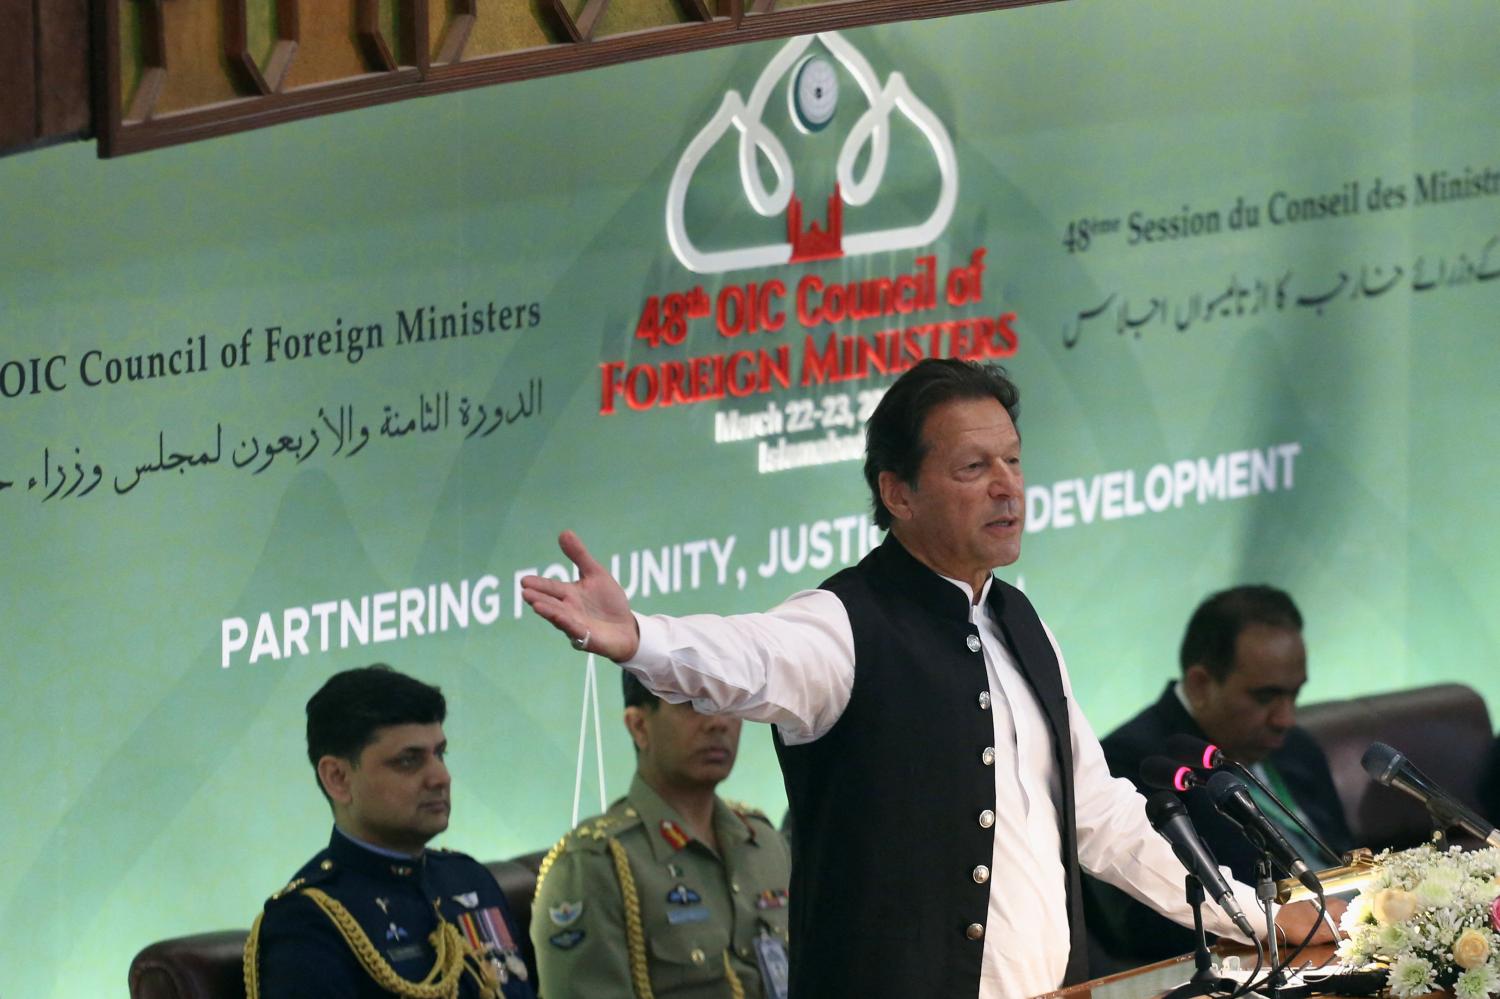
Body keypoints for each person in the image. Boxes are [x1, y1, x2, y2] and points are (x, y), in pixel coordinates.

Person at [520, 358, 1332, 998]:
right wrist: (637, 639)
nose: (1007, 485)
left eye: (1013, 460)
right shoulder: (844, 623)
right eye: (974, 466)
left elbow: (1103, 817)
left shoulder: (1022, 622)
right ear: (897, 492)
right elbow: (748, 659)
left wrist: (1250, 916)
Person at [1085, 586, 1355, 967]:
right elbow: (1143, 928)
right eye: (1265, 697)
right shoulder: (1132, 763)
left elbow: (1343, 856)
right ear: (1200, 685)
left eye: (1294, 695)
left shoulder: (1296, 746)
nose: (1285, 719)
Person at [244, 665, 536, 999]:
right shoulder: (308, 922)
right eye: (409, 761)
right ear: (338, 778)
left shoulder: (468, 879)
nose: (440, 777)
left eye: (440, 754)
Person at [531, 672, 792, 999]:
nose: (718, 723)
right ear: (639, 726)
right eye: (693, 704)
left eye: (728, 702)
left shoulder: (764, 843)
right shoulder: (595, 864)